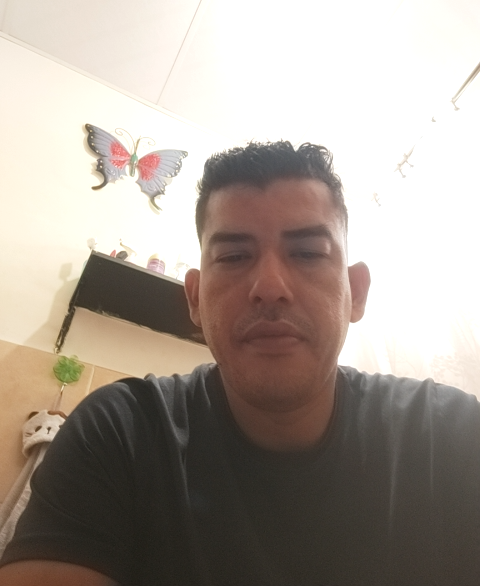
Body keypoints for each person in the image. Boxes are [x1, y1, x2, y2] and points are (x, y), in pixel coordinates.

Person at [0, 141, 479, 586]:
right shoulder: (119, 433)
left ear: (355, 292)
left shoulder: (452, 437)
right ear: (194, 298)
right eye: (233, 256)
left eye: (307, 253)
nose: (269, 286)